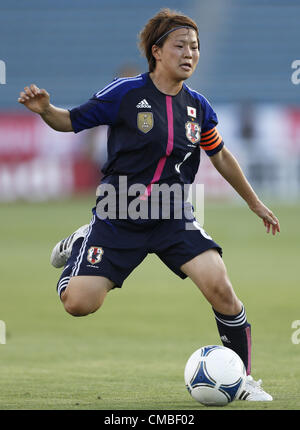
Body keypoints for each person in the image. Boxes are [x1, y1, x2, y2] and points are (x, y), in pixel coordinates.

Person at [18, 8, 280, 401]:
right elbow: (70, 121)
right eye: (180, 46)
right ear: (157, 51)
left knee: (221, 288)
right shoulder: (125, 93)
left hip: (173, 216)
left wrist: (254, 202)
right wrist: (45, 111)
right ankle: (80, 243)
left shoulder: (198, 107)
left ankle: (242, 380)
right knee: (79, 304)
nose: (189, 53)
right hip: (119, 215)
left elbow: (220, 155)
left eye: (195, 46)